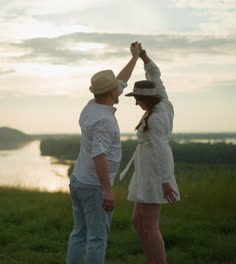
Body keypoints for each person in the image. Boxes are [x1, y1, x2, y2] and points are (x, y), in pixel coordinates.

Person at [66, 42, 141, 264]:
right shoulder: (105, 121)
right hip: (94, 187)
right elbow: (99, 155)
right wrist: (107, 189)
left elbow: (121, 80)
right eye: (116, 88)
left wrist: (134, 58)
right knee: (97, 238)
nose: (120, 88)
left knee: (78, 233)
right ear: (111, 92)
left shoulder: (91, 106)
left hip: (79, 179)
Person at [120, 44, 180, 264]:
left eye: (137, 98)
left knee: (150, 225)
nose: (135, 102)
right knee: (138, 222)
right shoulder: (162, 101)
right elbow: (154, 74)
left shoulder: (155, 119)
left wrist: (165, 181)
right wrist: (143, 56)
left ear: (147, 99)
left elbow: (162, 151)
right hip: (145, 172)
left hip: (155, 174)